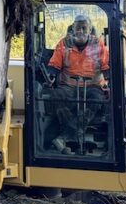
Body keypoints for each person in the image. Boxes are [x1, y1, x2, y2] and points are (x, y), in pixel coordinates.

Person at [45, 14, 110, 152]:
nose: (80, 31)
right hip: (68, 86)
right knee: (56, 96)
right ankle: (75, 131)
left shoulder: (98, 44)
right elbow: (54, 65)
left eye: (83, 28)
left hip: (92, 86)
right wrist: (50, 77)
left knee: (97, 99)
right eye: (77, 28)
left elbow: (106, 66)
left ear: (90, 29)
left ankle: (65, 136)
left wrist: (110, 80)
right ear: (72, 29)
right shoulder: (63, 44)